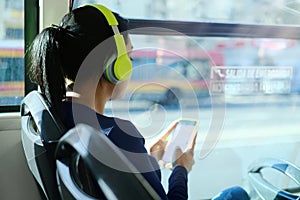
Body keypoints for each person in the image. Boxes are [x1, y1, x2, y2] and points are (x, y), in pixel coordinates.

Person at [28, 4, 250, 200]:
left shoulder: (52, 117)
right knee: (237, 194)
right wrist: (180, 169)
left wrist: (146, 159)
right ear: (115, 66)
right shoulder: (120, 135)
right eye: (130, 57)